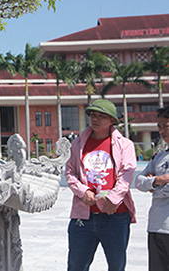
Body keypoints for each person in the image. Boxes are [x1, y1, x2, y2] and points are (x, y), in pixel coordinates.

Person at [65, 98, 137, 271]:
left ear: (112, 120)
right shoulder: (78, 143)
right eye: (92, 115)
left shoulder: (124, 145)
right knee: (76, 265)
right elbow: (70, 172)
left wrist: (113, 199)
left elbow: (126, 174)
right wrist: (83, 191)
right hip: (84, 216)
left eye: (101, 116)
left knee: (116, 265)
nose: (95, 119)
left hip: (115, 216)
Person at [135, 106, 169, 271]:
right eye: (159, 126)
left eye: (166, 126)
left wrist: (154, 186)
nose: (162, 131)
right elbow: (139, 181)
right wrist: (158, 180)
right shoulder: (159, 157)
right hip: (157, 226)